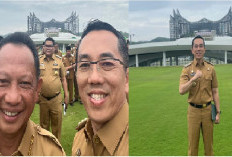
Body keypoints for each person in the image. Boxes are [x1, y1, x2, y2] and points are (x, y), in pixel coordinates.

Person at [0, 32, 65, 156]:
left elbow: (64, 79)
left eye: (24, 83)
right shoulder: (40, 60)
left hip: (56, 98)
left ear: (37, 90)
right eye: (2, 81)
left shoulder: (52, 152)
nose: (12, 98)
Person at [72, 20, 129, 156]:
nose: (94, 78)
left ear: (126, 78)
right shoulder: (80, 138)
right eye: (84, 65)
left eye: (107, 64)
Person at [179, 35, 220, 156]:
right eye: (196, 46)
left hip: (208, 111)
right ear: (192, 50)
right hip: (193, 112)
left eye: (201, 46)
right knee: (193, 149)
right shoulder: (186, 70)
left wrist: (218, 112)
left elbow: (215, 91)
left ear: (204, 49)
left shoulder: (211, 68)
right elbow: (181, 90)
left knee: (209, 148)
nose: (198, 49)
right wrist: (193, 79)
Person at [39, 37, 69, 141]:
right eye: (46, 45)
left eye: (50, 46)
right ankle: (45, 147)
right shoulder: (38, 61)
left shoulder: (59, 61)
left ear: (54, 47)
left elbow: (64, 79)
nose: (48, 48)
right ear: (43, 47)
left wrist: (67, 95)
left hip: (56, 99)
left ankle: (56, 148)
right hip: (42, 99)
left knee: (57, 126)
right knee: (44, 126)